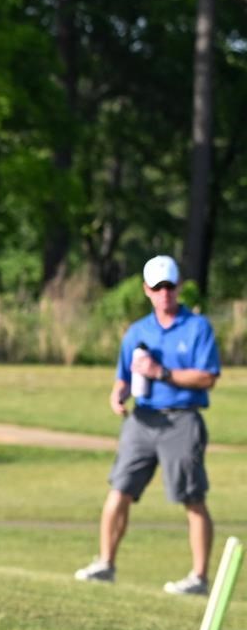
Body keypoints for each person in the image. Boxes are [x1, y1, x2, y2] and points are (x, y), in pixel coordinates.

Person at [76, 254, 221, 596]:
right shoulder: (138, 331)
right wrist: (117, 395)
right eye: (158, 288)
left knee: (192, 498)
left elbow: (207, 377)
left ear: (179, 287)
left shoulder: (197, 327)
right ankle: (105, 564)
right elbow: (123, 377)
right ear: (146, 290)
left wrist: (164, 373)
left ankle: (199, 578)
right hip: (142, 419)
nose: (165, 294)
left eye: (170, 287)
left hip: (182, 419)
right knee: (119, 490)